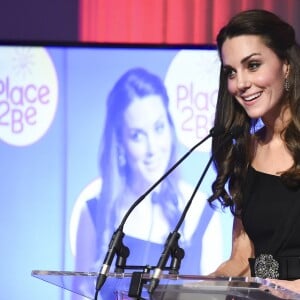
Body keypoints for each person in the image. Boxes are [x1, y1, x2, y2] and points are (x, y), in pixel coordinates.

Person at [71, 67, 223, 299]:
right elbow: (79, 294)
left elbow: (216, 297)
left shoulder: (200, 210)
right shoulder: (94, 211)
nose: (153, 148)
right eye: (137, 136)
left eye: (159, 128)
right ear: (120, 143)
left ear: (170, 130)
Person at [208, 9, 300, 294]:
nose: (241, 83)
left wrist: (287, 289)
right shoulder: (244, 151)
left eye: (253, 65)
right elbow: (242, 260)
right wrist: (194, 288)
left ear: (286, 65)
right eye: (231, 72)